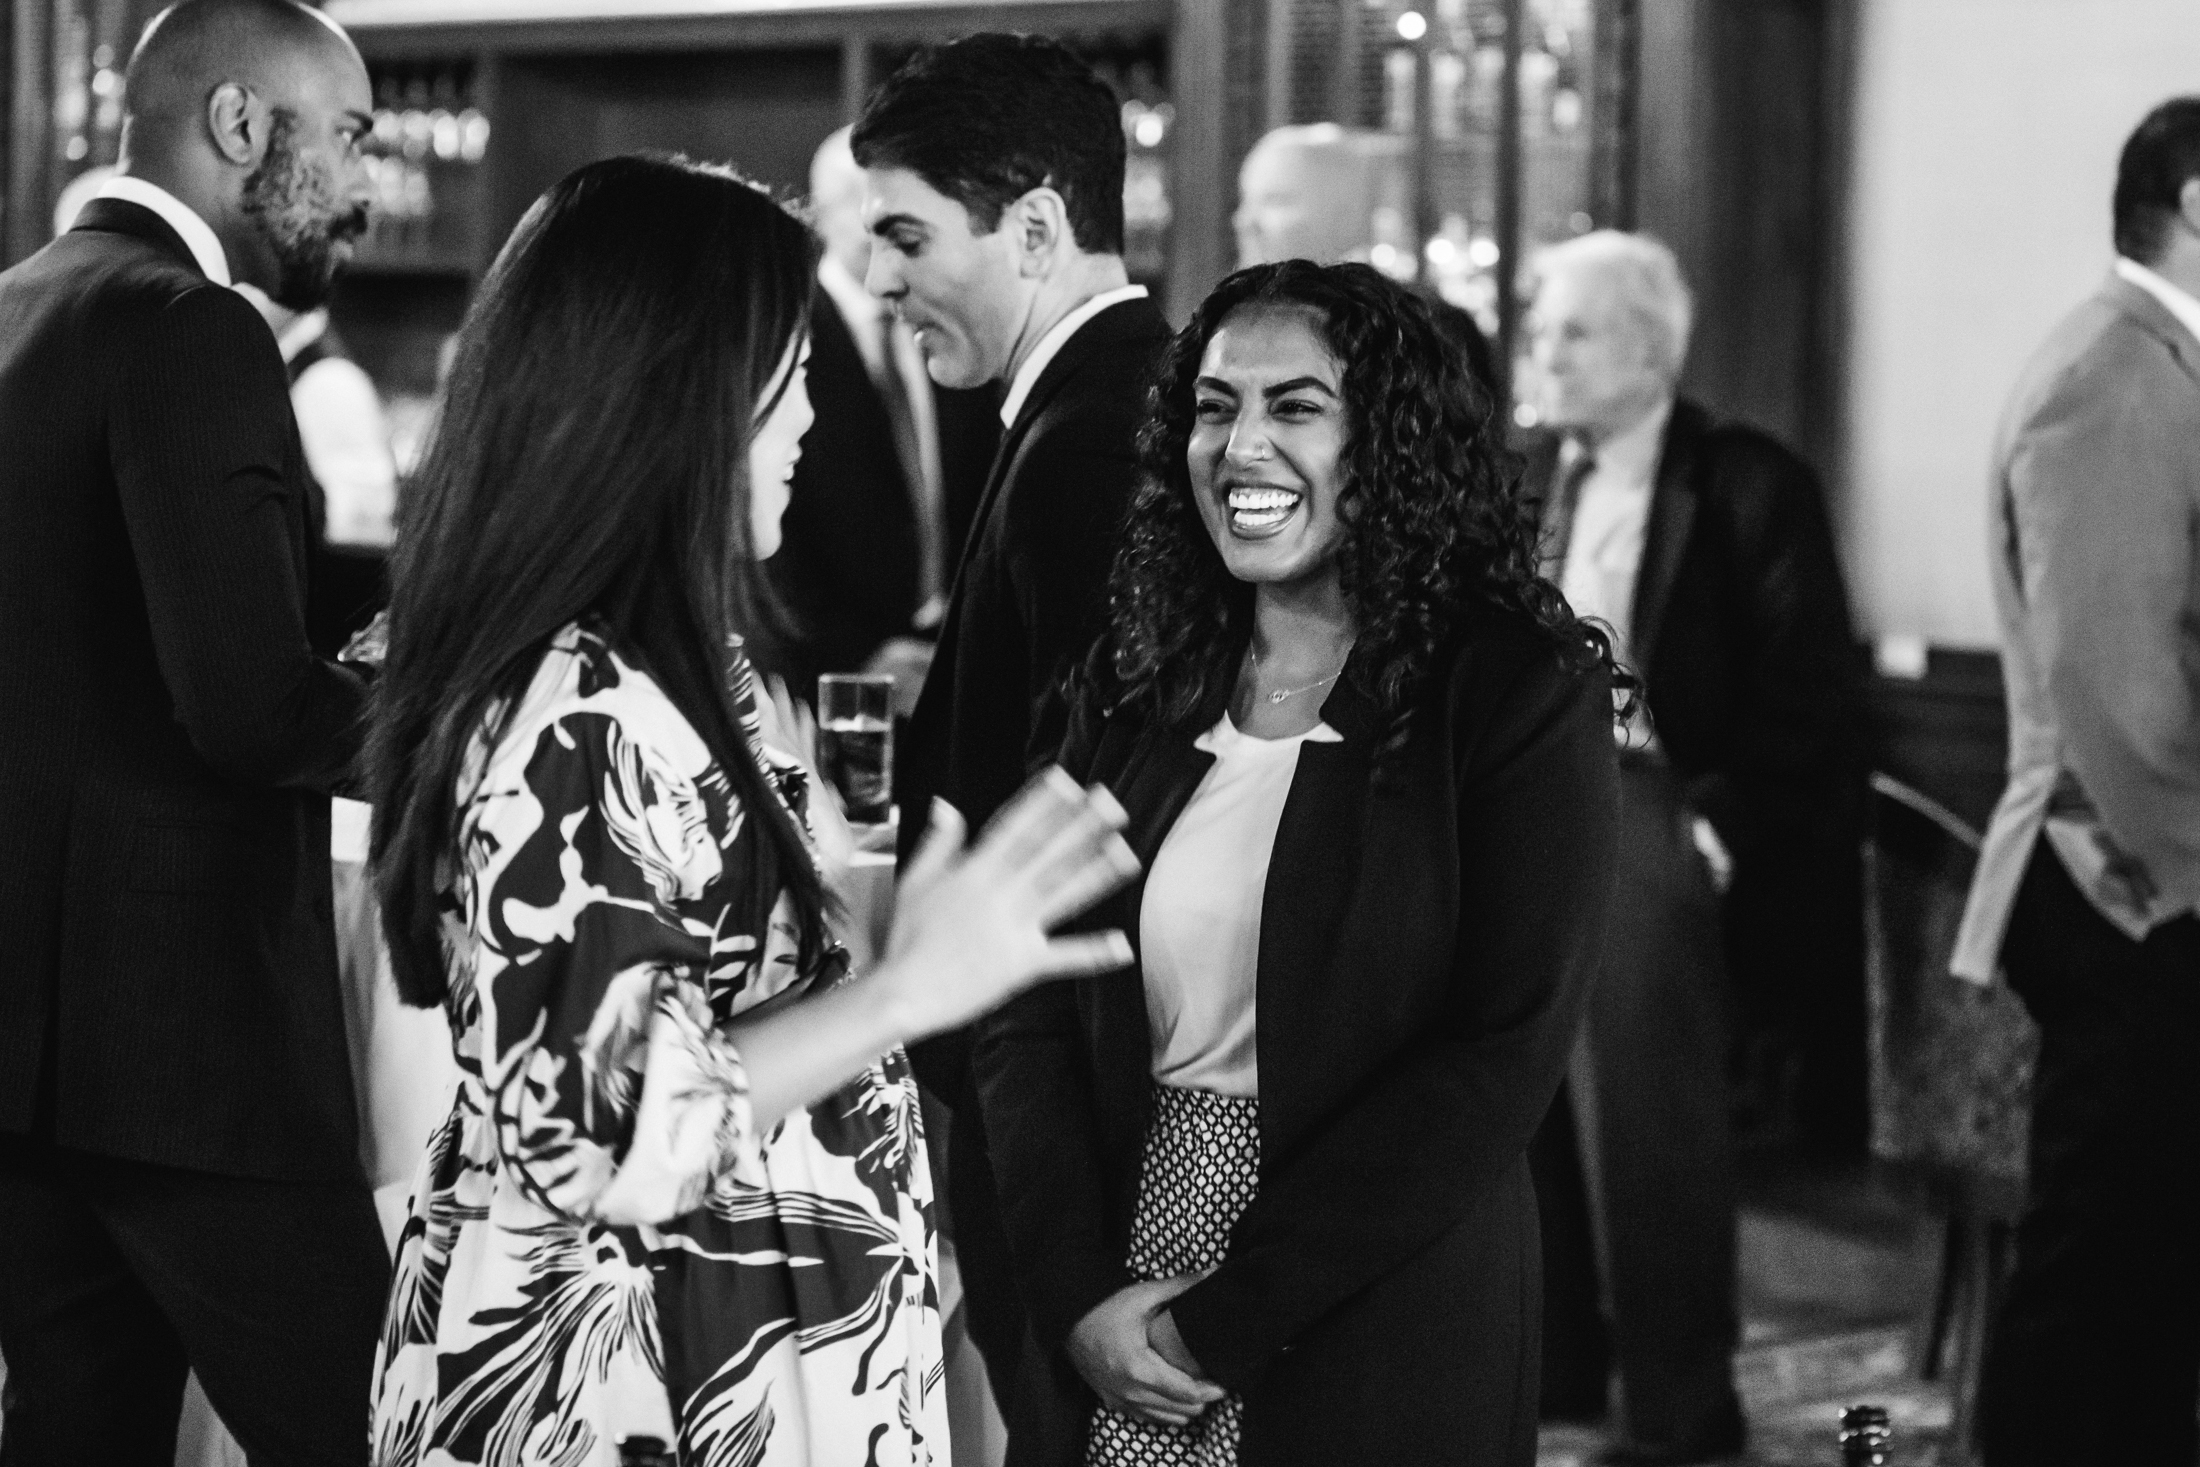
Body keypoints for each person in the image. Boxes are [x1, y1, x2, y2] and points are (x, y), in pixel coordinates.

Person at [363, 154, 1140, 1467]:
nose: (804, 431)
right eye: (782, 389)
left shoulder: (677, 668)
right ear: (674, 408)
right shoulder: (584, 709)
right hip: (639, 1371)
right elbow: (607, 1128)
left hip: (734, 1326)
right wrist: (905, 989)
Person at [977, 259, 1623, 1466]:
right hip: (1112, 1267)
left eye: (1296, 407)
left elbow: (1500, 1053)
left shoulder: (1512, 693)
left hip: (1371, 1292)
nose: (1242, 447)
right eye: (1215, 408)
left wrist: (1221, 1322)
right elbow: (1022, 1000)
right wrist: (1077, 1298)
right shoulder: (1132, 674)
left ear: (1386, 446)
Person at [0, 2, 388, 1461]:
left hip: (31, 1057)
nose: (358, 184)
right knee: (381, 1428)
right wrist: (481, 721)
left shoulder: (23, 299)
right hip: (187, 1054)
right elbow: (250, 708)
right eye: (345, 135)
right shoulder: (191, 320)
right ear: (241, 126)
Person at [852, 32, 1174, 1412]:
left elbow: (1102, 804)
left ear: (1036, 225)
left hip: (1061, 1075)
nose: (876, 280)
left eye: (907, 235)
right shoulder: (1077, 409)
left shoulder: (1092, 437)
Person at [1519, 229, 1862, 1464]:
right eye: (1539, 328)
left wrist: (1715, 824)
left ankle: (1677, 1416)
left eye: (1572, 332)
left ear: (1652, 349)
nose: (1540, 353)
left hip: (1660, 820)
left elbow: (1809, 687)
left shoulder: (1744, 482)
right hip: (1529, 814)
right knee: (1520, 1117)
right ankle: (1552, 1386)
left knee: (1648, 1136)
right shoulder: (1529, 477)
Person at [1951, 97, 2200, 1467]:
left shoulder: (2159, 363)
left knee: (2148, 1277)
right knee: (2101, 1286)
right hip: (2128, 885)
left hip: (2147, 879)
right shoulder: (2115, 374)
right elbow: (2119, 700)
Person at [765, 126, 998, 711]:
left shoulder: (947, 323)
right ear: (823, 215)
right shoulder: (786, 334)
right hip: (826, 676)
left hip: (951, 665)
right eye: (868, 209)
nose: (888, 234)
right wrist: (858, 656)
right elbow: (770, 535)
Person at [1234, 123, 1497, 393]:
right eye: (1244, 200)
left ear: (1344, 213)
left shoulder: (1423, 330)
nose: (1245, 222)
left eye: (1276, 201)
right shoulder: (1233, 324)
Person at [237, 282, 399, 655]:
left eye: (249, 286)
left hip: (330, 618)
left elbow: (367, 514)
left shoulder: (331, 380)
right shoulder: (280, 366)